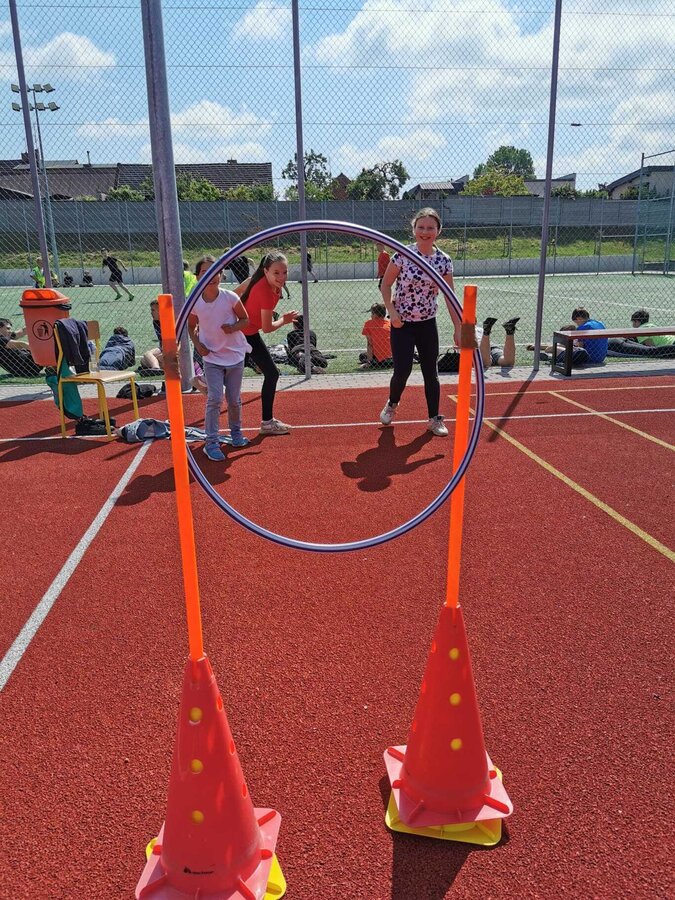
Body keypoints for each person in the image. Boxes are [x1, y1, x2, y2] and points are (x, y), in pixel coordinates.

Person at [379, 207, 458, 436]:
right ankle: (392, 403)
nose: (425, 232)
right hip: (402, 324)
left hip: (427, 324)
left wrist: (457, 328)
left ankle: (434, 418)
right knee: (402, 371)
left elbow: (450, 297)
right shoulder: (403, 255)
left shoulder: (443, 261)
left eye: (430, 228)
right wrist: (392, 312)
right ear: (414, 229)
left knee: (430, 372)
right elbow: (385, 285)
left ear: (438, 231)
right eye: (421, 227)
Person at [188, 255, 251, 460]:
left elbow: (245, 319)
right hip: (212, 357)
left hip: (234, 356)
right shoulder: (195, 301)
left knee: (234, 400)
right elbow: (191, 326)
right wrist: (198, 345)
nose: (211, 276)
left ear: (221, 275)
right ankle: (211, 442)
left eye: (215, 271)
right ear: (198, 277)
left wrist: (232, 327)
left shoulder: (229, 297)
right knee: (215, 398)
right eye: (205, 272)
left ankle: (236, 434)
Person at [241, 252, 298, 435]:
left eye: (284, 272)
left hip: (247, 333)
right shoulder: (264, 290)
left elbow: (235, 295)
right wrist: (284, 320)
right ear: (265, 271)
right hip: (242, 335)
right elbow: (267, 328)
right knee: (271, 373)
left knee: (265, 373)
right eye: (276, 273)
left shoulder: (268, 284)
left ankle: (267, 423)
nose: (281, 277)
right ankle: (267, 423)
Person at [533, 307, 608, 367]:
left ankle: (550, 357)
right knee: (562, 346)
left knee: (552, 348)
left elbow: (580, 348)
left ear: (579, 318)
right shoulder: (600, 323)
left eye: (576, 322)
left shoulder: (582, 327)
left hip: (588, 359)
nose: (577, 325)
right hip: (601, 358)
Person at [606, 309, 675, 358]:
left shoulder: (641, 330)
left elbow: (650, 346)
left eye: (633, 322)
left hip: (671, 344)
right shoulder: (651, 325)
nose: (633, 325)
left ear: (637, 321)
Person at [359, 302, 392, 369]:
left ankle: (373, 362)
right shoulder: (390, 323)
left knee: (362, 356)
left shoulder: (368, 324)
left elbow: (370, 344)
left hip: (379, 360)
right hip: (392, 359)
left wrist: (369, 362)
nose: (371, 315)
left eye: (372, 313)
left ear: (375, 315)